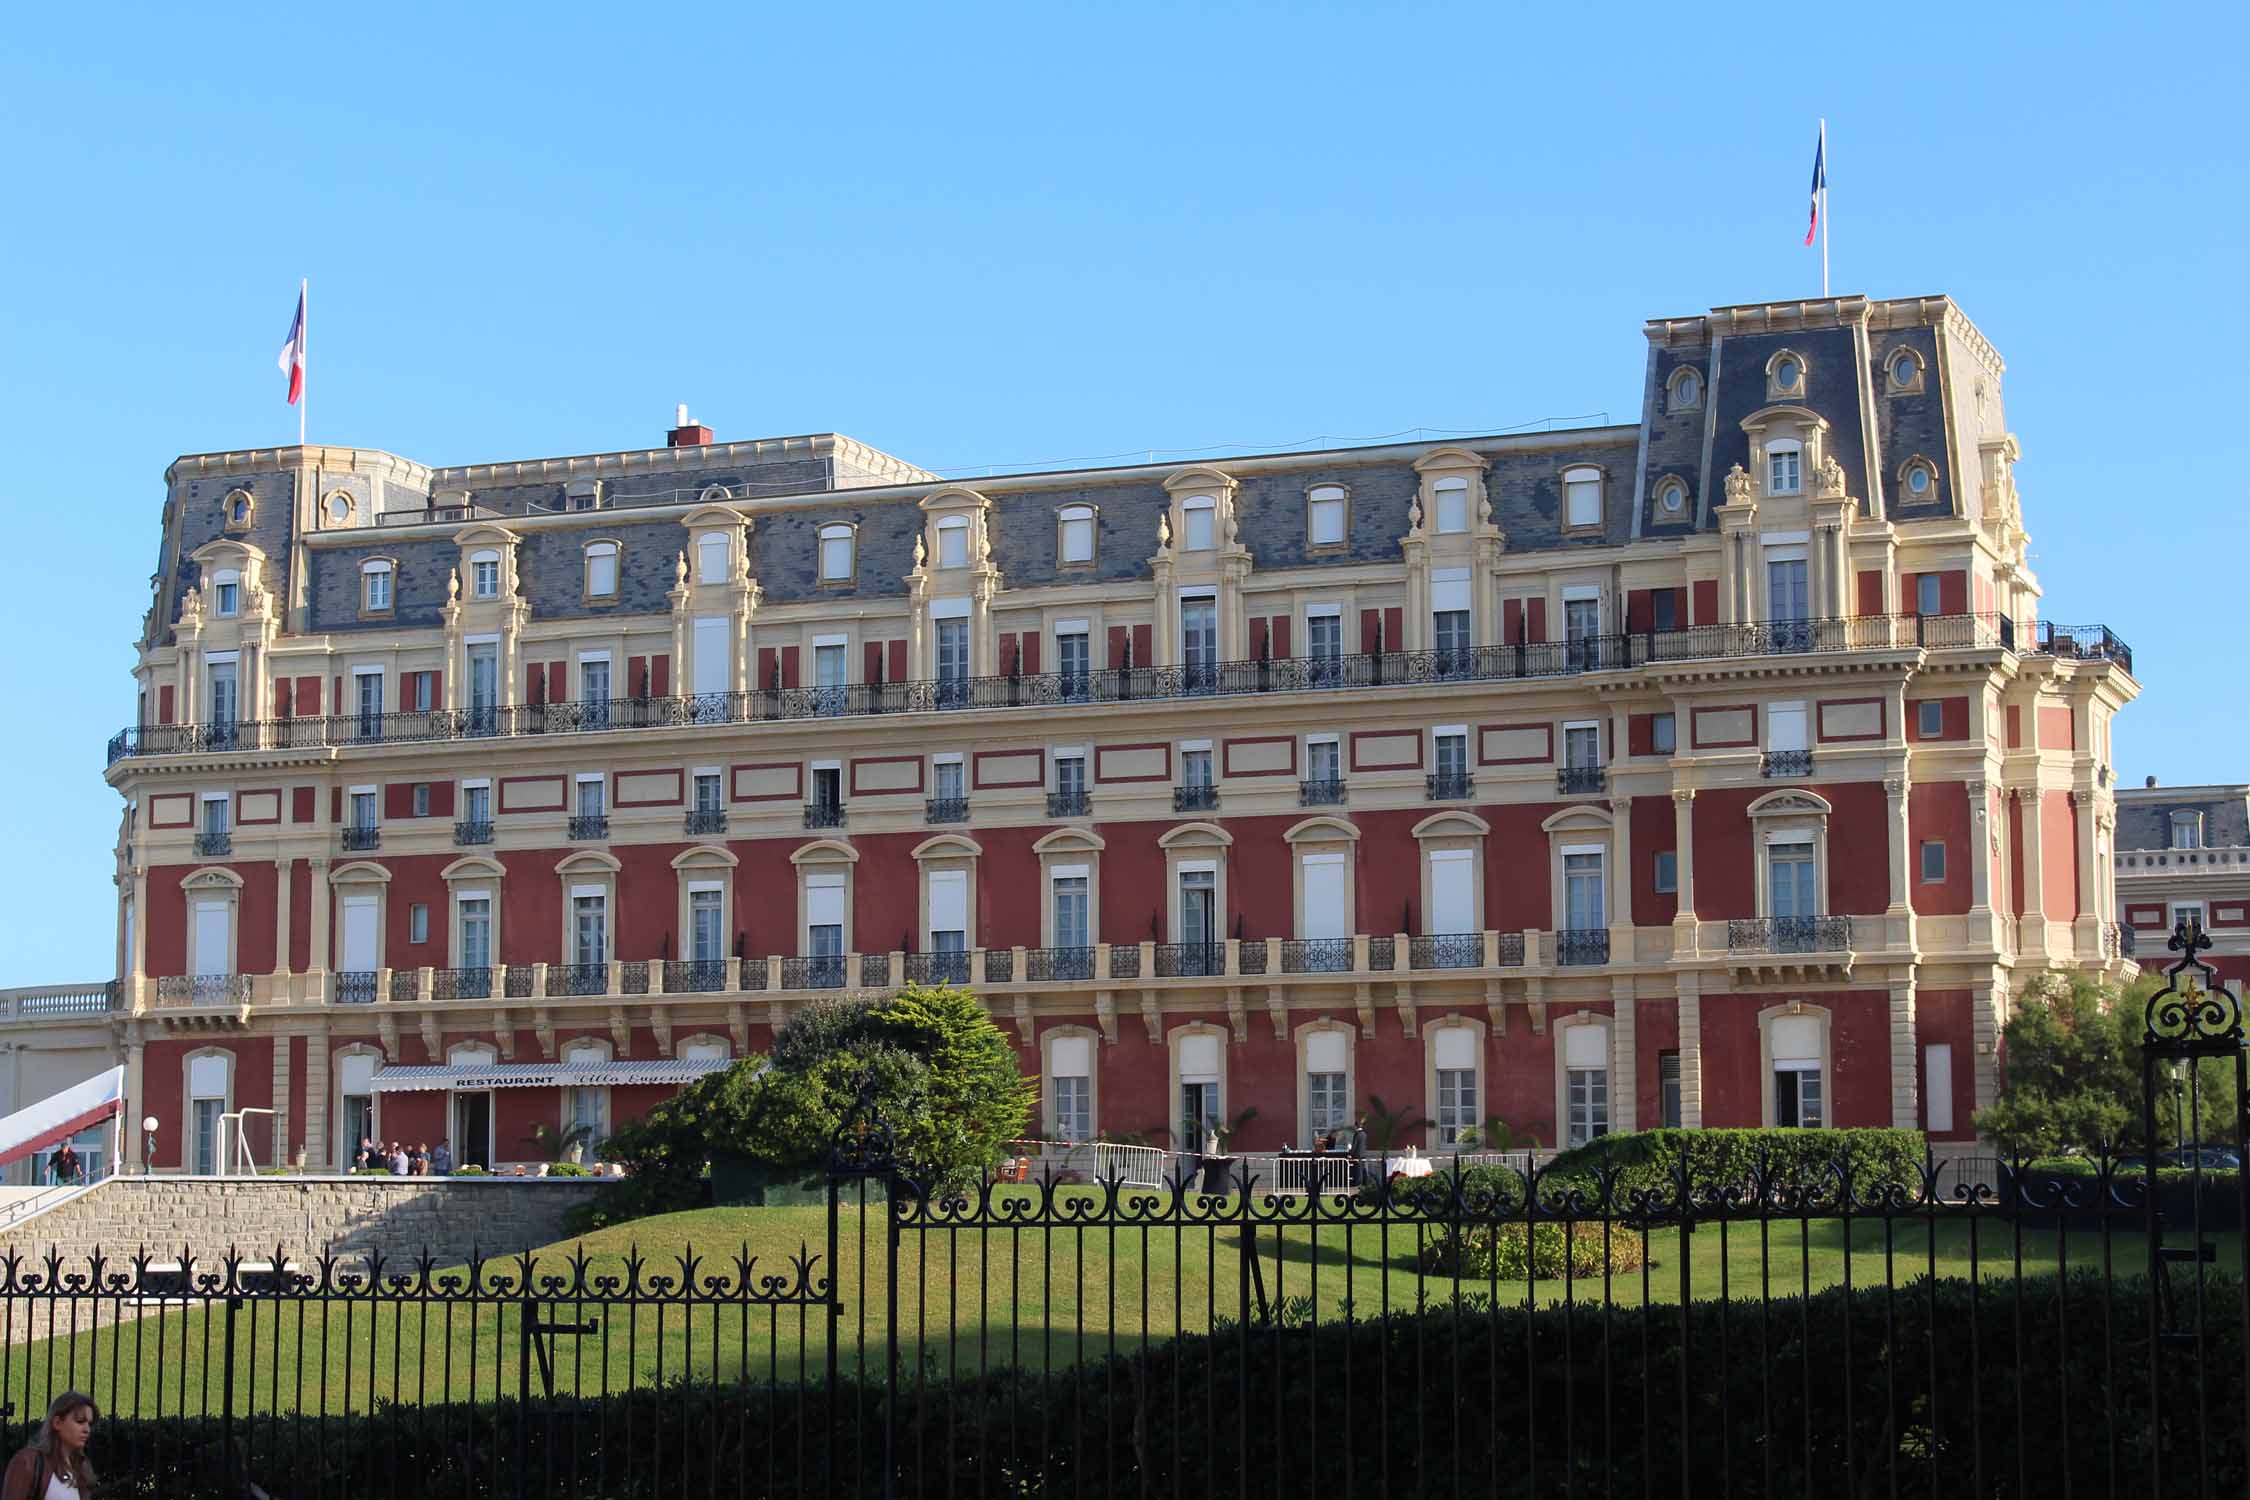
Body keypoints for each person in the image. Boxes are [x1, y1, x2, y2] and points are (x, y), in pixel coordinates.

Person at [2, 1390, 98, 1500]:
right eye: (80, 1421)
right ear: (57, 1423)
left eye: (89, 1424)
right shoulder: (28, 1462)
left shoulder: (81, 1469)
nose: (87, 1429)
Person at [1348, 1115, 1370, 1189]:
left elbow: (1354, 1145)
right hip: (1363, 1154)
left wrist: (1350, 1153)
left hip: (1357, 1155)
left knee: (1358, 1170)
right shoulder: (1364, 1134)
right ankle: (1365, 1183)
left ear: (1356, 1126)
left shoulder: (1357, 1134)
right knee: (1363, 1169)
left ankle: (1357, 1183)